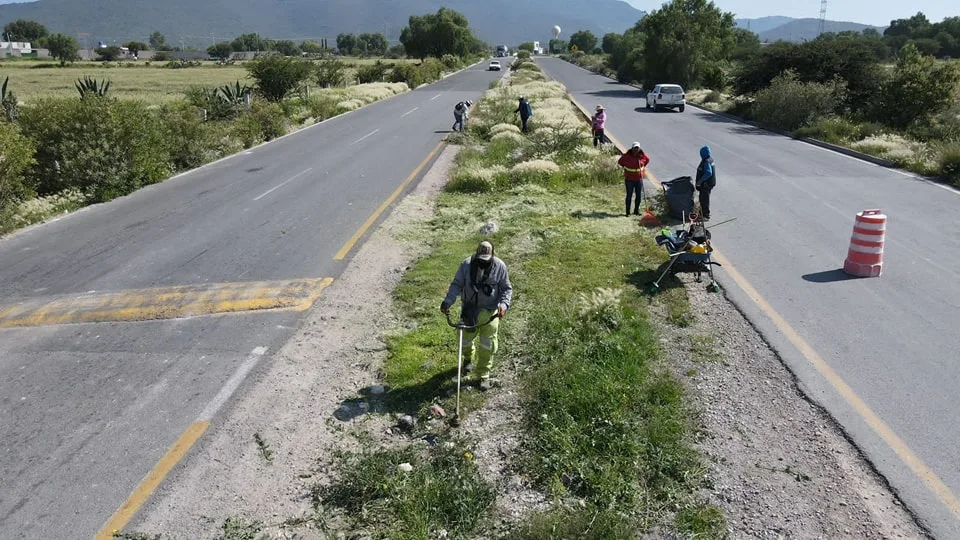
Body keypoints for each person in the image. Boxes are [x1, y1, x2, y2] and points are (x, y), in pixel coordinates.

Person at [440, 241, 513, 391]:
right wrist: (448, 301)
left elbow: (506, 289)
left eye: (486, 260)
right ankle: (468, 359)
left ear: (492, 256)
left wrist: (504, 305)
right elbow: (457, 285)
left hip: (489, 312)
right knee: (464, 340)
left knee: (488, 344)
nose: (483, 262)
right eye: (480, 259)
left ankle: (483, 375)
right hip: (469, 310)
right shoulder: (466, 265)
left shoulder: (500, 266)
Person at [617, 142, 650, 216]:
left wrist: (642, 168)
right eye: (635, 148)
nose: (636, 149)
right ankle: (627, 212)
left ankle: (636, 211)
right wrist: (626, 167)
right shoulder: (627, 156)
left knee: (638, 196)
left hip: (638, 179)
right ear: (632, 148)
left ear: (639, 148)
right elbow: (620, 162)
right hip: (629, 179)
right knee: (629, 195)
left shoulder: (642, 155)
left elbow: (647, 160)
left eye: (637, 148)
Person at [695, 146, 716, 221]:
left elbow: (708, 173)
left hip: (706, 185)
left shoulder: (706, 161)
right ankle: (702, 214)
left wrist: (700, 181)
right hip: (708, 184)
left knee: (704, 200)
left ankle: (705, 216)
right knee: (704, 199)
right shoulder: (710, 159)